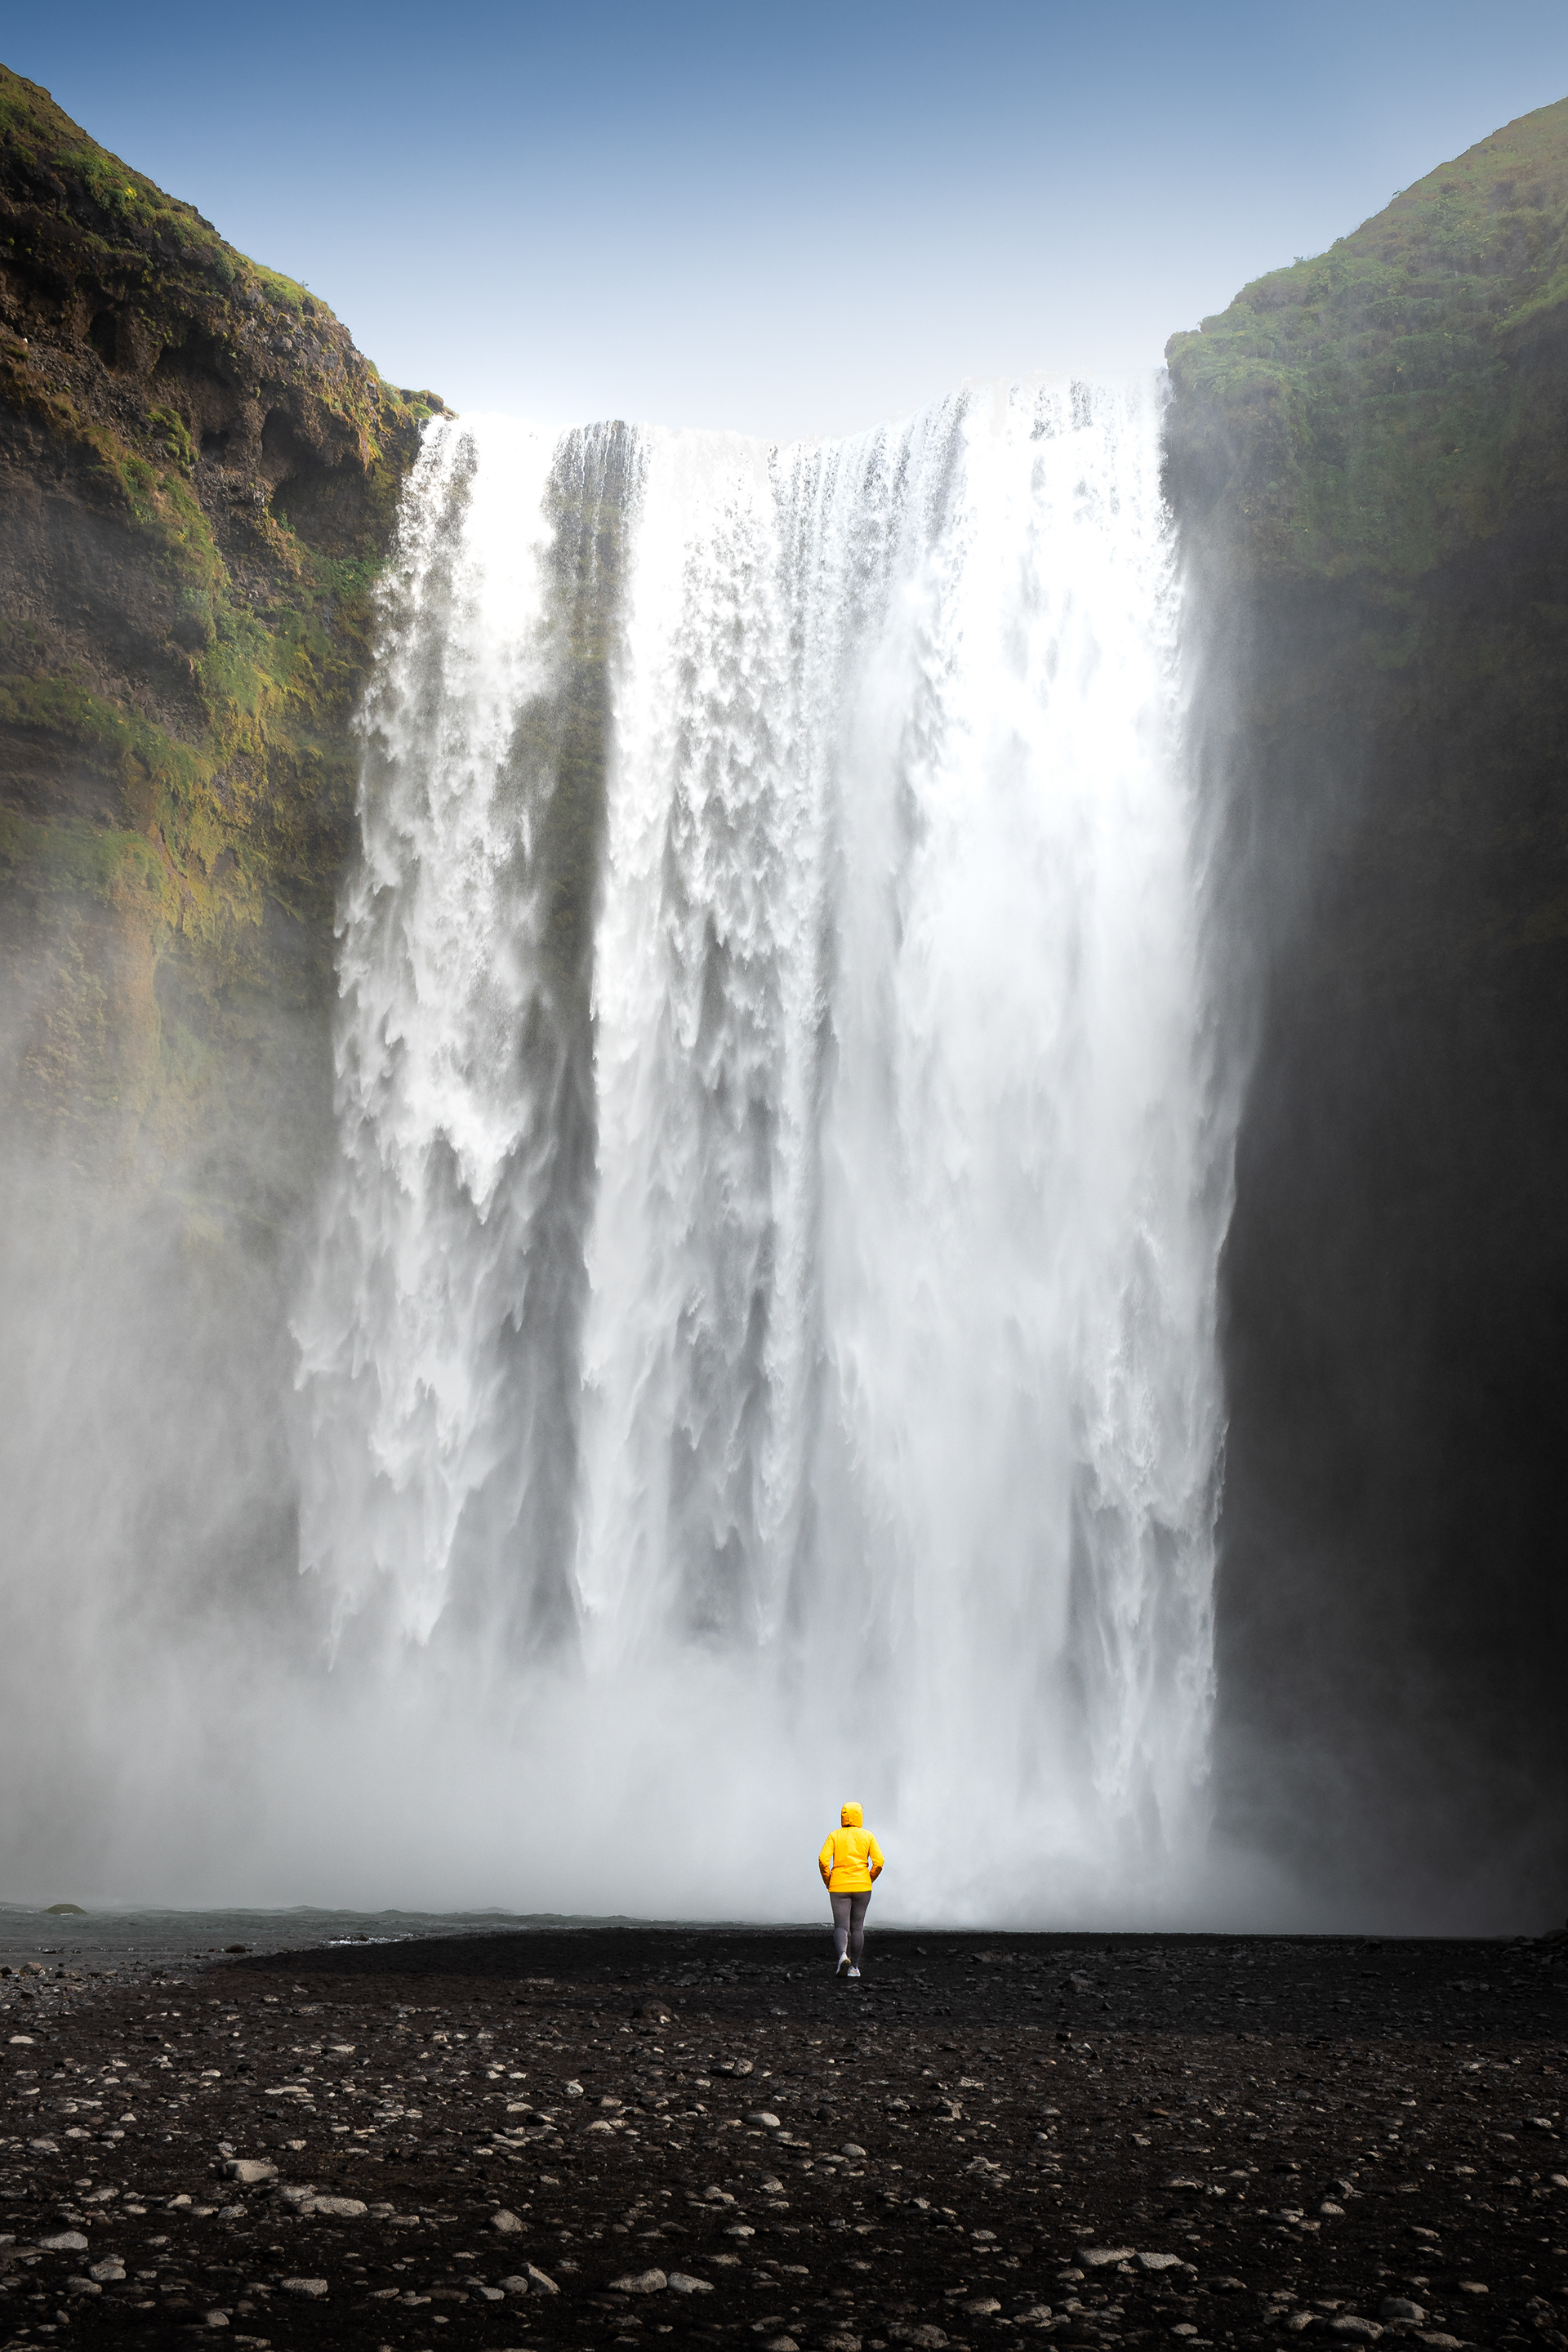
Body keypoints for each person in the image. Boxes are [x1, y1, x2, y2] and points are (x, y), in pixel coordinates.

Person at [818, 1802, 884, 1979]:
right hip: (862, 1886)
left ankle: (842, 1956)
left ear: (843, 1816)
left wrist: (828, 1881)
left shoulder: (834, 1836)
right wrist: (869, 1878)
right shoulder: (868, 1836)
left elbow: (823, 1860)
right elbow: (879, 1862)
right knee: (857, 1928)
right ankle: (854, 1967)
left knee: (841, 1926)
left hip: (839, 1886)